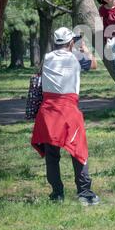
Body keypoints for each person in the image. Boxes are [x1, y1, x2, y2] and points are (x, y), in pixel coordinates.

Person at [31, 27, 100, 205]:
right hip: (68, 111)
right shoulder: (76, 57)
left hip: (47, 111)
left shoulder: (46, 58)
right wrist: (84, 48)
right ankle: (84, 192)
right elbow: (94, 64)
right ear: (70, 42)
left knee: (52, 156)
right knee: (78, 152)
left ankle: (57, 194)